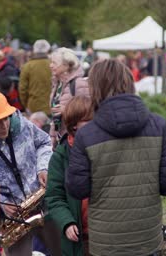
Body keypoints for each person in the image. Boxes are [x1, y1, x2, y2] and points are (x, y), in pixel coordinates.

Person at [66, 59, 166, 256]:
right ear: (129, 83)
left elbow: (78, 188)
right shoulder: (158, 125)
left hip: (106, 239)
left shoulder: (86, 135)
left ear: (96, 88)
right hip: (146, 236)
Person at [0, 91, 61, 256]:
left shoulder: (24, 125)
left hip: (44, 201)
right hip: (14, 219)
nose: (4, 125)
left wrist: (43, 168)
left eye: (5, 118)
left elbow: (44, 142)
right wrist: (1, 203)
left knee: (61, 250)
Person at [45, 96, 94, 256]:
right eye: (88, 120)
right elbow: (54, 196)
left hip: (103, 233)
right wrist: (66, 222)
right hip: (78, 236)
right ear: (74, 125)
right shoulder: (61, 156)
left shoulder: (102, 147)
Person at [49, 47, 89, 147]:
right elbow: (55, 116)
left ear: (66, 66)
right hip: (60, 140)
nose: (50, 66)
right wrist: (52, 140)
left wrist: (67, 110)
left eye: (54, 63)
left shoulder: (78, 84)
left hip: (75, 141)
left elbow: (88, 111)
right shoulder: (58, 84)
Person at [19, 39, 52, 115]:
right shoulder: (53, 64)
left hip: (33, 107)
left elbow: (22, 89)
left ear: (34, 50)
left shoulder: (27, 66)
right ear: (48, 50)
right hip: (51, 107)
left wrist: (26, 105)